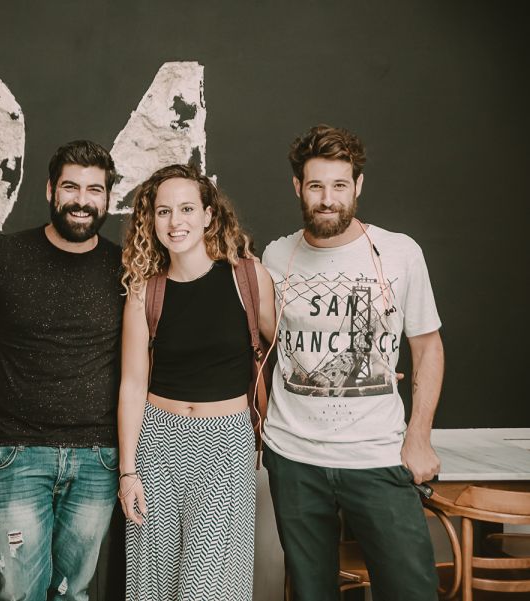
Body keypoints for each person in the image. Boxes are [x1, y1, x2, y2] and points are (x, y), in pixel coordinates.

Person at [261, 124, 445, 599]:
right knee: (311, 593)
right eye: (316, 186)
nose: (328, 199)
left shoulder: (400, 253)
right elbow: (267, 344)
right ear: (297, 186)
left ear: (358, 186)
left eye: (340, 185)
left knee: (412, 591)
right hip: (294, 458)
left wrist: (419, 437)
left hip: (377, 455)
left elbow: (427, 347)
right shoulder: (276, 256)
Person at [117, 163, 275, 600]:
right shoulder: (145, 291)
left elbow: (288, 349)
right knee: (154, 585)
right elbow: (132, 385)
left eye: (187, 209)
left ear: (208, 215)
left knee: (210, 587)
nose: (175, 221)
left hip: (226, 442)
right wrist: (128, 472)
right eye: (163, 211)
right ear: (151, 220)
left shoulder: (248, 279)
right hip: (157, 442)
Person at [0, 140, 124, 601]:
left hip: (99, 457)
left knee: (73, 592)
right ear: (49, 190)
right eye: (71, 187)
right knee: (16, 593)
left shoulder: (126, 267)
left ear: (108, 197)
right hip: (17, 452)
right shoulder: (2, 257)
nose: (82, 200)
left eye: (94, 190)